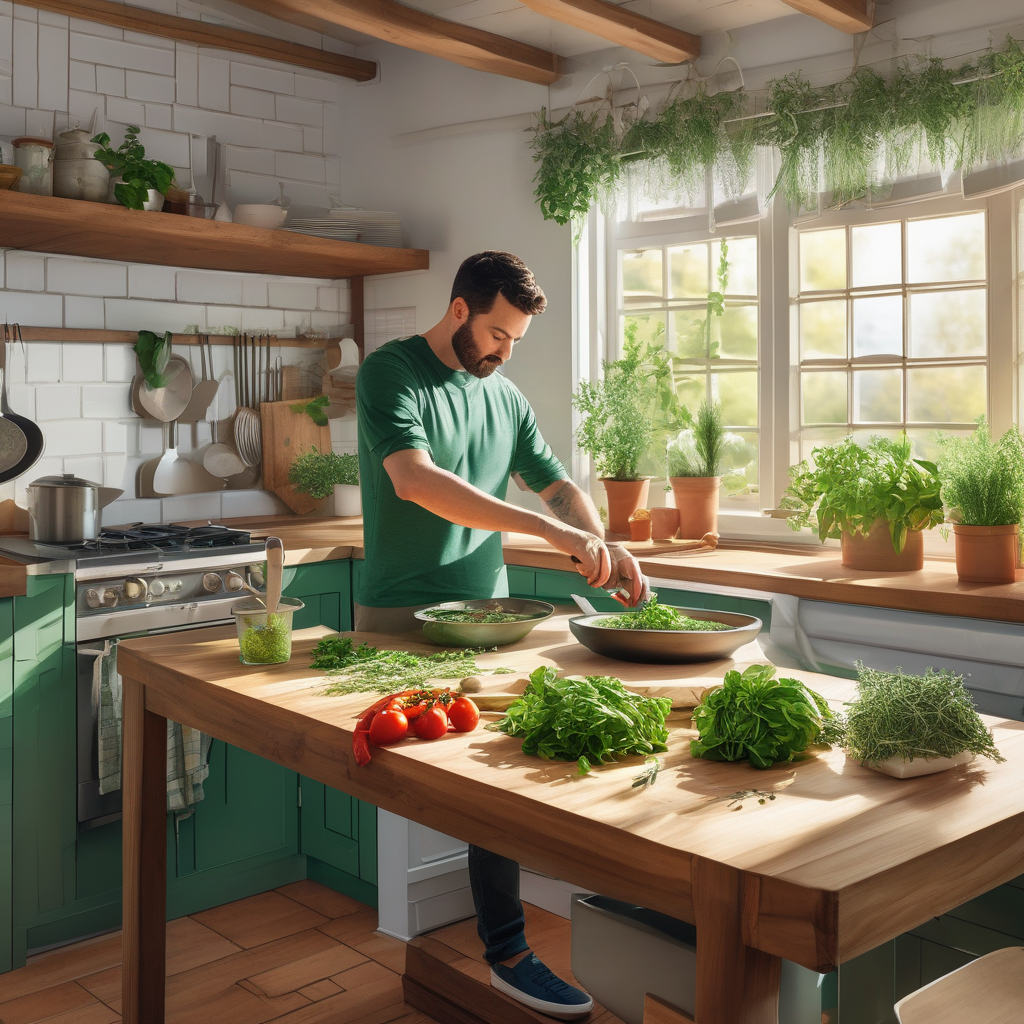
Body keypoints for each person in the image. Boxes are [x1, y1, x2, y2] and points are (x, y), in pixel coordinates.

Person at [355, 250, 651, 1020]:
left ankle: (508, 952)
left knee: (497, 778)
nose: (502, 351)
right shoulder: (391, 372)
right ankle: (407, 922)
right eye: (495, 333)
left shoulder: (504, 394)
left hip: (487, 618)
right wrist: (554, 535)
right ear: (459, 310)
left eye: (514, 340)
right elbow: (415, 481)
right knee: (395, 776)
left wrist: (603, 541)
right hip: (400, 620)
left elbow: (557, 484)